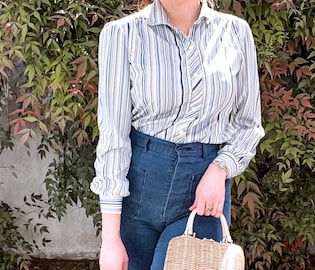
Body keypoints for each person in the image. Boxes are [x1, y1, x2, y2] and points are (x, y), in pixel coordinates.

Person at [90, 0, 264, 269]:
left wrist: (221, 168)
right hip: (141, 189)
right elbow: (114, 137)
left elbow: (248, 123)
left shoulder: (235, 33)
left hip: (204, 192)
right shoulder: (122, 34)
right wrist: (110, 239)